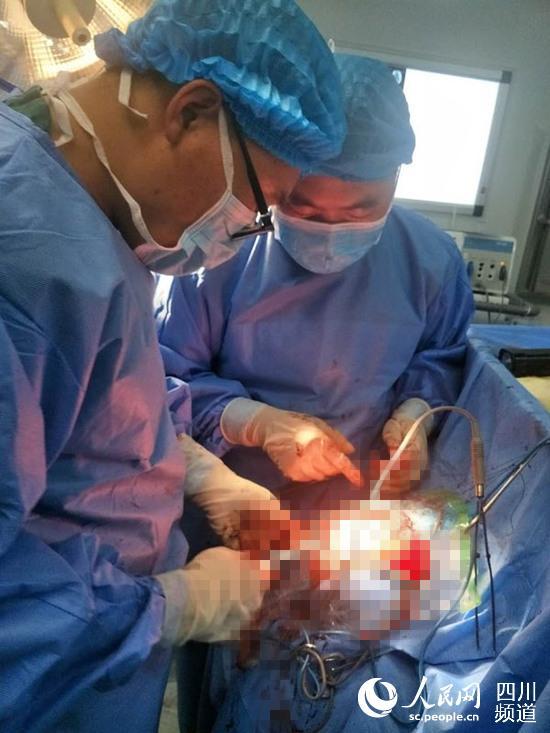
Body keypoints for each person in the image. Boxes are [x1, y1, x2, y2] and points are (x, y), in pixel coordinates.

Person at [0, 1, 347, 731]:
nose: (247, 232)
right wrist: (172, 605)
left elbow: (91, 404)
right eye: (261, 206)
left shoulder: (91, 225)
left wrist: (197, 471)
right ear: (190, 113)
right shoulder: (25, 255)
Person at [156, 53, 474, 503]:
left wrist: (415, 415)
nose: (331, 231)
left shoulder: (430, 259)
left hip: (358, 496)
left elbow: (442, 358)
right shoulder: (218, 252)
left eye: (360, 209)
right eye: (303, 206)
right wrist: (255, 422)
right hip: (232, 495)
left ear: (396, 176)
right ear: (276, 175)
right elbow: (163, 376)